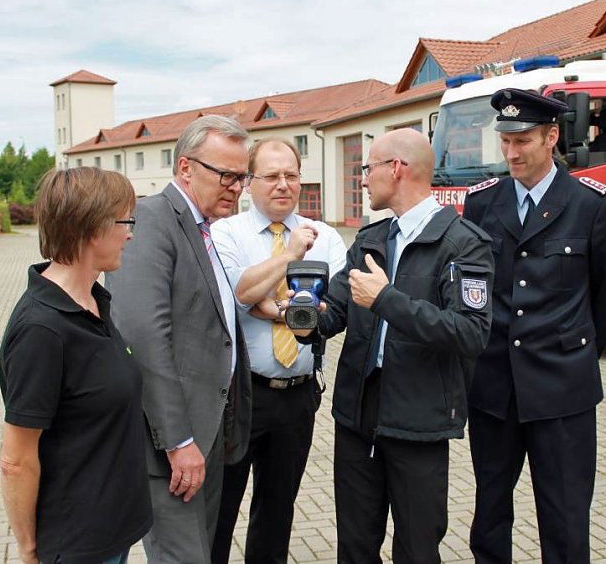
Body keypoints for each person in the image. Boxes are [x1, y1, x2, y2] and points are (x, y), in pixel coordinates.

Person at [462, 88, 606, 563]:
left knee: (564, 515)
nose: (512, 152)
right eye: (505, 140)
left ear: (551, 136)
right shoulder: (482, 203)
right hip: (494, 388)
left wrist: (573, 353)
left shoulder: (592, 204)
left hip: (562, 390)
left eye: (524, 140)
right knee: (490, 511)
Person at [317, 128, 494, 563]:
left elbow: (471, 333)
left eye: (368, 168)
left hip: (418, 418)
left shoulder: (464, 243)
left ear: (396, 169)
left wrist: (385, 299)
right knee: (355, 546)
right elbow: (335, 312)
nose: (362, 179)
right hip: (359, 414)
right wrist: (303, 316)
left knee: (416, 548)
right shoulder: (371, 239)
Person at [105, 115, 253, 563]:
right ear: (185, 168)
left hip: (207, 433)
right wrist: (177, 441)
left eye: (241, 176)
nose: (236, 187)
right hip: (172, 446)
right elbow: (145, 339)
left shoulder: (203, 228)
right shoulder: (152, 221)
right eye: (225, 175)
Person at [0, 167, 152, 564]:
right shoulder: (41, 329)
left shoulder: (94, 302)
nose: (131, 233)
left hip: (110, 530)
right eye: (126, 221)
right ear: (93, 228)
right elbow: (16, 460)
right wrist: (30, 551)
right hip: (76, 544)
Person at [210, 137, 347, 563]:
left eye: (291, 175)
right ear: (250, 182)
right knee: (219, 513)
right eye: (271, 176)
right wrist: (289, 257)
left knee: (276, 514)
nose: (283, 185)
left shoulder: (325, 237)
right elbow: (239, 292)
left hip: (297, 395)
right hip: (238, 397)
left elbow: (335, 309)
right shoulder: (225, 232)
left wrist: (269, 307)